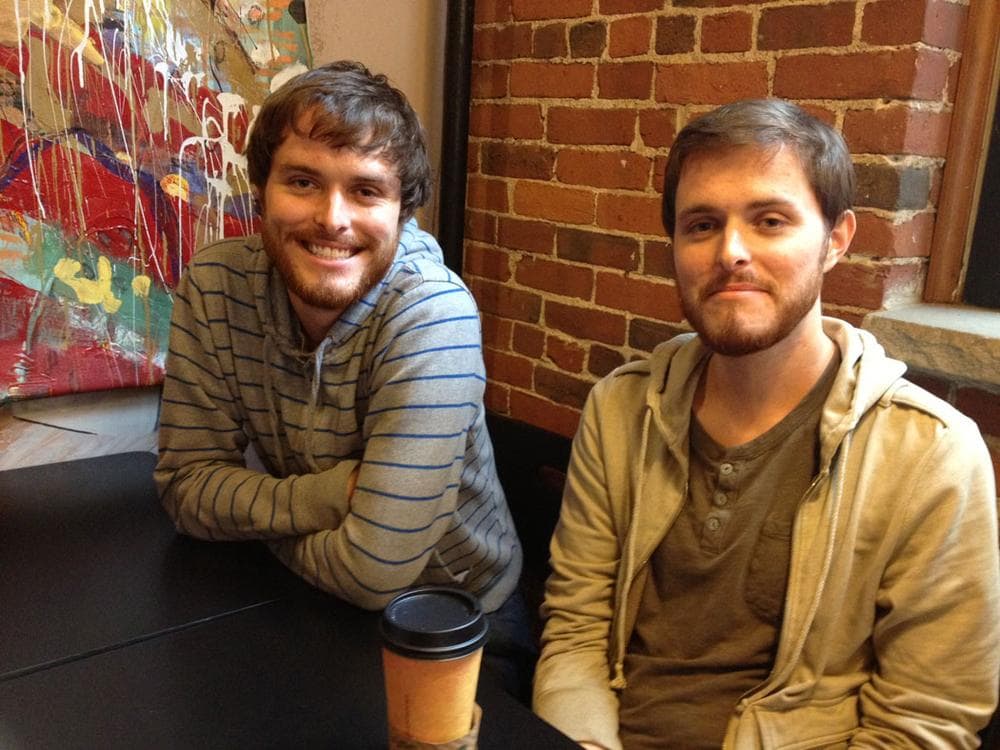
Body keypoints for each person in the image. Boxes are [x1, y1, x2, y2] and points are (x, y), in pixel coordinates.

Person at [532, 99, 999, 748]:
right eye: (701, 225)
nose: (731, 253)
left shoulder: (931, 455)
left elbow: (919, 724)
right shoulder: (619, 410)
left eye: (770, 221)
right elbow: (577, 630)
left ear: (836, 240)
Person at [154, 62, 529, 681]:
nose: (332, 218)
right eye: (302, 181)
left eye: (365, 190)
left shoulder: (435, 313)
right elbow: (185, 489)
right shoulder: (214, 287)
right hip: (306, 597)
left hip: (460, 620)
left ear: (403, 210)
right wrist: (331, 497)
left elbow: (375, 571)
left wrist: (247, 524)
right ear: (261, 189)